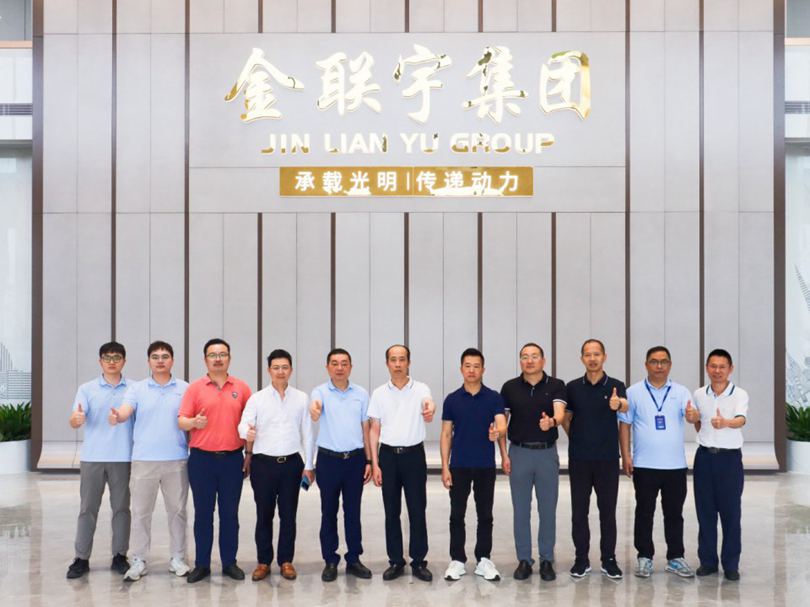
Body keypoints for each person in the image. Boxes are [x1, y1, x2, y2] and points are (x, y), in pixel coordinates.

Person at [108, 341, 190, 581]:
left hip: (177, 459)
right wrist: (118, 416)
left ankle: (178, 558)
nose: (160, 360)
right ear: (148, 361)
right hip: (144, 460)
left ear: (172, 360)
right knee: (141, 513)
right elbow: (125, 410)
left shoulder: (185, 388)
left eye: (165, 356)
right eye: (155, 357)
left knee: (178, 512)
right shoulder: (137, 389)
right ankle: (139, 560)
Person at [178, 338, 251, 583]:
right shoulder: (195, 389)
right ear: (205, 359)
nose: (218, 359)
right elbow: (181, 420)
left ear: (229, 358)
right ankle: (202, 564)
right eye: (212, 355)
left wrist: (248, 454)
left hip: (232, 460)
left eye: (222, 354)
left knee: (230, 514)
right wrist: (193, 423)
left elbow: (250, 424)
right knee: (203, 514)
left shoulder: (241, 388)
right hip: (202, 461)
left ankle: (229, 562)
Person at [238, 349, 315, 582]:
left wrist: (309, 465)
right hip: (263, 465)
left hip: (292, 464)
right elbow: (243, 425)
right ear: (269, 370)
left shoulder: (301, 398)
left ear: (291, 369)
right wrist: (247, 432)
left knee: (289, 514)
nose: (280, 372)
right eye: (276, 367)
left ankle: (286, 561)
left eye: (285, 367)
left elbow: (308, 433)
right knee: (264, 514)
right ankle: (263, 562)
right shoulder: (257, 399)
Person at [619, 346, 695, 579]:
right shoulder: (633, 392)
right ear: (646, 365)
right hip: (645, 465)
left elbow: (692, 417)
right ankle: (644, 557)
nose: (659, 366)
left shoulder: (681, 392)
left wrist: (693, 416)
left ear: (670, 365)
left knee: (674, 513)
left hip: (675, 466)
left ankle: (676, 557)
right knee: (644, 512)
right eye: (654, 361)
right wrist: (626, 455)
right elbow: (625, 425)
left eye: (663, 362)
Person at [499, 342, 566, 582]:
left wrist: (552, 422)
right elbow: (502, 424)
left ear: (543, 360)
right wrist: (504, 455)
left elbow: (559, 413)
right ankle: (524, 560)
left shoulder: (556, 385)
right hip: (519, 453)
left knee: (547, 510)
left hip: (546, 454)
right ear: (520, 361)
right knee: (521, 510)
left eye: (534, 356)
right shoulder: (509, 387)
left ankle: (547, 559)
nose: (529, 361)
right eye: (525, 357)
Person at [368, 344, 436, 582]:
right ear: (387, 363)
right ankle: (396, 561)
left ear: (409, 362)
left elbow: (429, 404)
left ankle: (418, 561)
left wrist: (430, 410)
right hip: (388, 457)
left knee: (417, 510)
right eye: (393, 360)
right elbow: (374, 430)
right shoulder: (379, 393)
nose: (398, 364)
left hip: (414, 456)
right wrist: (375, 464)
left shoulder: (421, 388)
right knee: (391, 511)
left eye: (402, 359)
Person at [66, 342, 133, 579]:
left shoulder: (134, 388)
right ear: (100, 361)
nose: (112, 362)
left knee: (121, 509)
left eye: (117, 357)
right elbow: (75, 418)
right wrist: (76, 419)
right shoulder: (87, 389)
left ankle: (120, 556)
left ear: (124, 361)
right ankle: (81, 558)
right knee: (88, 509)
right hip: (92, 458)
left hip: (123, 457)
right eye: (107, 357)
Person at [441, 348, 507, 582]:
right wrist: (445, 466)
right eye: (467, 366)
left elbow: (501, 424)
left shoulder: (493, 397)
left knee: (485, 514)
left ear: (483, 369)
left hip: (484, 466)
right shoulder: (452, 399)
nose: (471, 370)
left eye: (476, 366)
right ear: (461, 369)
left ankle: (484, 559)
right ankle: (457, 560)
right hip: (459, 465)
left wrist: (497, 432)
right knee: (456, 514)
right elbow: (446, 434)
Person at [562, 339, 627, 579]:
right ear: (582, 358)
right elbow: (566, 418)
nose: (592, 358)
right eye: (588, 354)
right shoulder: (572, 387)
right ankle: (581, 559)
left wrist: (618, 403)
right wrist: (577, 436)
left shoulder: (616, 385)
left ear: (604, 357)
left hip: (607, 459)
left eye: (596, 354)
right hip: (579, 458)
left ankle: (609, 559)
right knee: (579, 511)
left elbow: (625, 406)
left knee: (607, 511)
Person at [309, 348, 373, 581]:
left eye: (344, 363)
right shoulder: (320, 392)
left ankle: (354, 558)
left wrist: (369, 460)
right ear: (327, 367)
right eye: (334, 363)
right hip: (328, 461)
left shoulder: (361, 394)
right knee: (328, 511)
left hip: (355, 460)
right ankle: (330, 559)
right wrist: (315, 411)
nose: (339, 367)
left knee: (353, 512)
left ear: (351, 367)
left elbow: (366, 429)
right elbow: (315, 409)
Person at [685, 348, 747, 581]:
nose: (717, 371)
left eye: (722, 367)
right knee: (705, 512)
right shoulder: (699, 394)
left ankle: (731, 564)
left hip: (729, 460)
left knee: (731, 513)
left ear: (730, 369)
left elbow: (741, 420)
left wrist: (725, 423)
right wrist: (693, 418)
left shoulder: (739, 394)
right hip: (704, 458)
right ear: (706, 368)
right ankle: (708, 562)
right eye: (713, 366)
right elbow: (698, 422)